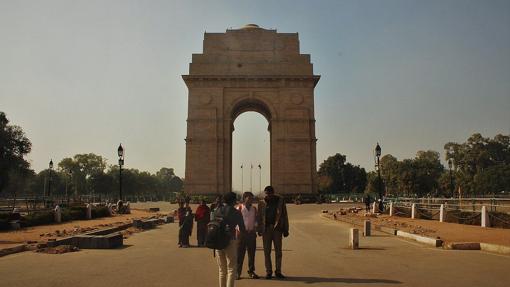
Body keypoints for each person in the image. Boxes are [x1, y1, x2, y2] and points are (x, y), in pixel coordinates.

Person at [257, 186, 289, 280]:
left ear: (273, 193)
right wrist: (259, 229)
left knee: (278, 251)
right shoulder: (261, 202)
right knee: (267, 252)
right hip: (266, 229)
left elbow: (284, 215)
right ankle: (269, 272)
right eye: (267, 194)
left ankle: (278, 271)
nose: (268, 195)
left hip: (277, 229)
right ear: (265, 193)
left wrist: (286, 229)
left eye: (270, 193)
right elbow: (259, 216)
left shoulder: (280, 201)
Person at [215, 192, 245, 287]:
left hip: (218, 241)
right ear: (233, 201)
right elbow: (242, 228)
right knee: (231, 269)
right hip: (230, 240)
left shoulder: (218, 210)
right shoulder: (236, 212)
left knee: (222, 270)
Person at [236, 192, 259, 280]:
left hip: (251, 234)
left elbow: (256, 220)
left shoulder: (254, 208)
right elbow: (235, 221)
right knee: (240, 254)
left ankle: (251, 271)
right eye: (249, 198)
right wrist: (239, 230)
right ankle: (237, 272)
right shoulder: (239, 208)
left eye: (252, 198)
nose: (251, 200)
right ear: (244, 198)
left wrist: (255, 227)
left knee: (252, 254)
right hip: (241, 234)